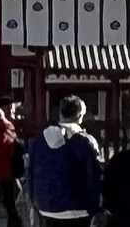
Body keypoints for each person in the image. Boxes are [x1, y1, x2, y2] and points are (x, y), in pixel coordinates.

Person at [24, 97, 103, 227]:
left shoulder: (39, 140)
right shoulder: (85, 141)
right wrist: (95, 208)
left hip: (45, 207)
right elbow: (93, 176)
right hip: (77, 208)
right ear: (80, 115)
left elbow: (30, 171)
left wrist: (34, 201)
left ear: (60, 113)